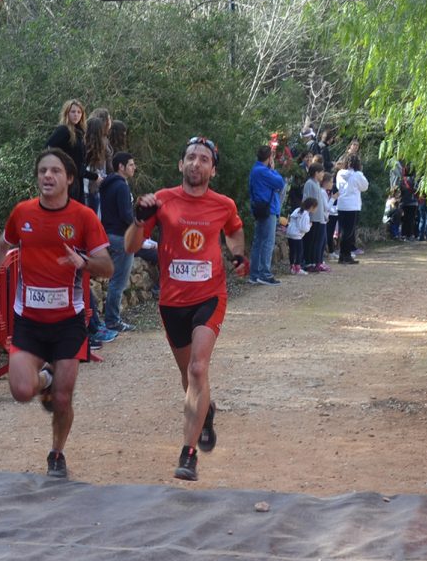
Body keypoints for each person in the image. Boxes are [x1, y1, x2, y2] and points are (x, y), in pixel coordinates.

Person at [0, 149, 112, 479]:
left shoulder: (84, 217)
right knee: (20, 391)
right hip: (30, 320)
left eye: (56, 171)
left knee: (62, 398)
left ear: (70, 179)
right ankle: (44, 377)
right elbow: (0, 247)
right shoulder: (23, 213)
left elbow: (107, 266)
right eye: (43, 171)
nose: (48, 176)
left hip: (69, 322)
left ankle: (57, 452)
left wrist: (85, 263)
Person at [124, 137, 248, 483]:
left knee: (197, 367)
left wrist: (237, 255)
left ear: (213, 169)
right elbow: (130, 247)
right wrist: (138, 219)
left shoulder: (223, 204)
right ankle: (204, 411)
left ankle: (188, 453)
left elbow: (234, 230)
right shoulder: (161, 201)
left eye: (204, 159)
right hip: (172, 301)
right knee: (188, 376)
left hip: (209, 296)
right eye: (190, 157)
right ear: (180, 165)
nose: (196, 163)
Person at [99, 150, 137, 332]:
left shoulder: (107, 184)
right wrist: (140, 228)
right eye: (130, 164)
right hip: (121, 238)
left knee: (115, 280)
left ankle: (111, 319)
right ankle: (112, 320)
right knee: (118, 281)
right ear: (121, 167)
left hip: (108, 234)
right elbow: (126, 214)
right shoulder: (121, 186)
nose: (134, 168)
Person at [248, 144, 285, 285]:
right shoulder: (263, 171)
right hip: (268, 209)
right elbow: (280, 183)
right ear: (269, 158)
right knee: (267, 241)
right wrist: (273, 169)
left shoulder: (255, 170)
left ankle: (254, 274)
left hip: (259, 208)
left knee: (259, 241)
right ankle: (265, 273)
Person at [46, 98, 86, 203]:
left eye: (79, 112)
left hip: (77, 179)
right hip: (66, 180)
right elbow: (48, 148)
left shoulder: (80, 132)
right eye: (73, 112)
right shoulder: (63, 130)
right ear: (67, 113)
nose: (76, 115)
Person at [336, 154, 369, 263]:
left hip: (341, 204)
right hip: (352, 205)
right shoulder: (357, 174)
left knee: (343, 231)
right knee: (349, 232)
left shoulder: (340, 173)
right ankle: (346, 254)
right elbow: (365, 187)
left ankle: (342, 254)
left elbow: (337, 186)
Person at [302, 163, 328, 272]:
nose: (323, 174)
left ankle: (316, 261)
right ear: (316, 173)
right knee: (311, 241)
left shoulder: (317, 184)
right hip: (313, 217)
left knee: (318, 241)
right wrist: (307, 215)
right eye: (321, 172)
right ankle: (309, 263)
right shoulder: (309, 183)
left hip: (319, 217)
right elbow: (306, 199)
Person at [286, 196, 318, 274]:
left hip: (290, 233)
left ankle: (292, 267)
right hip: (297, 235)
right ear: (311, 207)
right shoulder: (305, 215)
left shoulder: (297, 210)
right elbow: (303, 228)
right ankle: (297, 267)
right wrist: (309, 226)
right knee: (299, 251)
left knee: (292, 251)